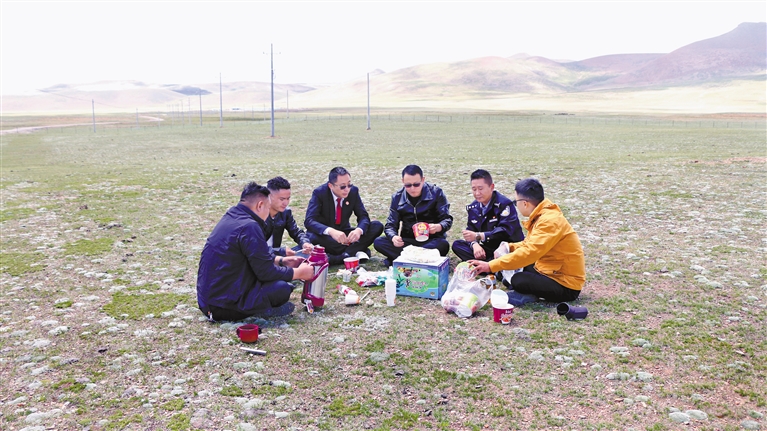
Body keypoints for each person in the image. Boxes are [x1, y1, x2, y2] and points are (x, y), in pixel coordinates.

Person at [197, 182, 314, 321]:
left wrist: (280, 260)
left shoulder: (232, 215)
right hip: (222, 306)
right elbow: (266, 272)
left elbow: (249, 255)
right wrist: (298, 273)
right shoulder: (250, 226)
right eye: (268, 207)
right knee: (282, 289)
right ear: (260, 205)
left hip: (208, 300)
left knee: (281, 282)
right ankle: (258, 310)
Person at [469, 178, 585, 304]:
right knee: (515, 269)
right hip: (549, 269)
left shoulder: (549, 221)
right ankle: (523, 287)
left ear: (525, 203)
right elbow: (529, 244)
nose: (516, 205)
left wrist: (490, 265)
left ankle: (529, 294)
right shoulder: (542, 216)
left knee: (518, 279)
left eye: (516, 202)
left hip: (566, 284)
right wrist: (509, 247)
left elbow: (530, 252)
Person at [374, 164, 453, 265]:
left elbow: (447, 219)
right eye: (408, 185)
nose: (412, 188)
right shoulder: (397, 197)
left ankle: (405, 259)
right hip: (408, 242)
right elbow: (390, 225)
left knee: (443, 245)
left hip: (431, 241)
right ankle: (418, 260)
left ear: (423, 180)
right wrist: (393, 237)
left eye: (416, 184)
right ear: (403, 181)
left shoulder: (436, 193)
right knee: (379, 242)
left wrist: (438, 227)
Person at [304, 167, 384, 265]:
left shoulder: (353, 192)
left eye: (349, 185)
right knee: (312, 236)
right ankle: (355, 251)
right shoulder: (319, 193)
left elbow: (363, 216)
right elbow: (309, 221)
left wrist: (358, 230)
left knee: (377, 226)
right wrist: (331, 231)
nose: (347, 189)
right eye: (342, 186)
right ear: (330, 185)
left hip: (345, 235)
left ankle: (345, 255)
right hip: (326, 236)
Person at [451, 169, 525, 262]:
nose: (477, 193)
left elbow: (505, 231)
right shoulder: (473, 207)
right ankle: (491, 265)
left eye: (480, 189)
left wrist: (480, 236)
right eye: (474, 189)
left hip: (507, 248)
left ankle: (488, 265)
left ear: (491, 187)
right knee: (457, 245)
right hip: (488, 248)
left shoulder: (504, 205)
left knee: (509, 255)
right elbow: (471, 231)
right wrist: (474, 244)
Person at [265, 176, 314, 257]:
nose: (286, 203)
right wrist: (281, 251)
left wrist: (305, 243)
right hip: (258, 256)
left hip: (277, 255)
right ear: (269, 196)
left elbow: (296, 232)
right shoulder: (257, 214)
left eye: (288, 199)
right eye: (282, 199)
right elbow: (254, 247)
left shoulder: (285, 212)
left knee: (310, 254)